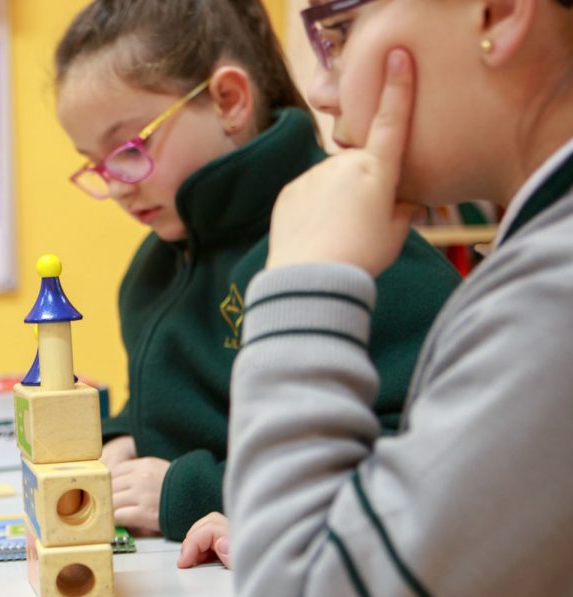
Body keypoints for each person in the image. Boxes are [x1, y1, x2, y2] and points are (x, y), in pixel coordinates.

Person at [215, 0, 573, 597]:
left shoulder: (558, 296)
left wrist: (303, 279)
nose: (321, 90)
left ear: (496, 12)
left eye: (338, 32)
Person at [53, 0, 462, 543]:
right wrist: (125, 438)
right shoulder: (151, 271)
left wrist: (193, 491)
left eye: (130, 147)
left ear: (228, 101)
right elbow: (187, 414)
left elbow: (426, 464)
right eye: (95, 164)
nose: (118, 184)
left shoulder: (347, 239)